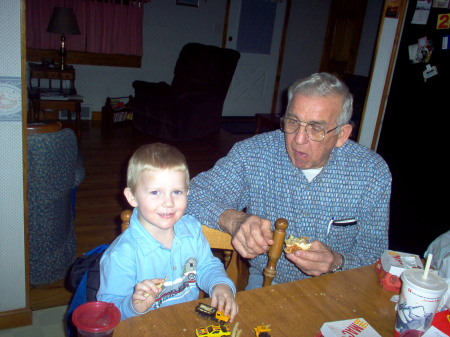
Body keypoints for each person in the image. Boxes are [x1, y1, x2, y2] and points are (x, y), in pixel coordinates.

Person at [187, 72, 392, 289]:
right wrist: (233, 220)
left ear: (342, 134)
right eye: (293, 122)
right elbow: (191, 194)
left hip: (339, 284)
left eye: (316, 128)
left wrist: (337, 262)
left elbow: (375, 254)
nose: (298, 139)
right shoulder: (254, 154)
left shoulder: (371, 173)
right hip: (268, 281)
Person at [97, 143, 238, 320]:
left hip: (186, 320)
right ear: (132, 197)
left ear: (187, 192)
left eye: (177, 192)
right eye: (155, 192)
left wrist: (220, 284)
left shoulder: (192, 230)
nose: (168, 202)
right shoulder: (122, 254)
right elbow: (108, 308)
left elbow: (207, 266)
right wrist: (133, 306)